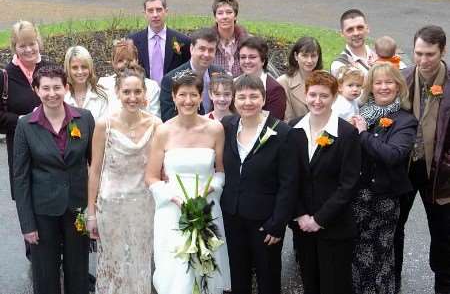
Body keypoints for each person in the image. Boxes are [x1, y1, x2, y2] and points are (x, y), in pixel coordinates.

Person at [146, 69, 231, 294]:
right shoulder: (163, 131)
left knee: (206, 270)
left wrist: (211, 188)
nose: (188, 100)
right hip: (173, 211)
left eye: (193, 94)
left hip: (207, 207)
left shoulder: (215, 129)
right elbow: (152, 176)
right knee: (176, 275)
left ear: (201, 96)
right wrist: (173, 198)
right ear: (173, 97)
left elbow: (220, 171)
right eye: (182, 95)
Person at [13, 65, 95, 294]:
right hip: (42, 212)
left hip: (77, 208)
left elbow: (95, 166)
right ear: (36, 90)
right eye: (46, 88)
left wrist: (93, 210)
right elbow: (20, 178)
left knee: (78, 271)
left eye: (57, 87)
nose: (52, 93)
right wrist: (27, 224)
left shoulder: (85, 119)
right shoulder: (25, 125)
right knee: (45, 274)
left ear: (66, 88)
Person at [86, 63, 161, 294]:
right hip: (111, 205)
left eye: (137, 91)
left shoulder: (156, 125)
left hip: (143, 205)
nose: (132, 97)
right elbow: (95, 170)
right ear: (117, 93)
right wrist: (91, 213)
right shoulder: (103, 125)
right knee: (113, 262)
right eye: (127, 92)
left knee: (140, 261)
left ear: (144, 94)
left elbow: (160, 170)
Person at [221, 74, 298, 294]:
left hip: (265, 220)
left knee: (268, 276)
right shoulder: (228, 125)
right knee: (238, 275)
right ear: (234, 100)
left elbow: (289, 183)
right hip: (233, 216)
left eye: (254, 96)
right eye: (242, 97)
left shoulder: (282, 132)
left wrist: (278, 223)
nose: (248, 102)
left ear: (263, 99)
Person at [289, 70, 361, 294]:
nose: (317, 101)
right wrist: (301, 215)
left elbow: (349, 184)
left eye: (324, 96)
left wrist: (319, 219)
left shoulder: (347, 134)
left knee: (335, 285)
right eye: (313, 95)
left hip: (334, 225)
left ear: (334, 97)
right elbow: (289, 178)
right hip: (302, 225)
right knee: (310, 283)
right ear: (305, 94)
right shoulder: (293, 129)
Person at [352, 63, 417, 294]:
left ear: (399, 86)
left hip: (383, 201)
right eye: (377, 82)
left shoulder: (405, 120)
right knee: (355, 255)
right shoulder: (358, 114)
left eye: (389, 82)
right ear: (369, 87)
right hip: (356, 198)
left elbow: (393, 155)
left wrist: (361, 135)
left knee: (378, 259)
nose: (383, 87)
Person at [395, 25, 450, 294]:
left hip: (441, 172)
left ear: (443, 51)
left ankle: (444, 285)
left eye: (430, 54)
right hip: (404, 169)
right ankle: (391, 280)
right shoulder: (401, 79)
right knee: (394, 227)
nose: (423, 60)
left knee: (443, 235)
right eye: (418, 53)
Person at [0, 21, 49, 201]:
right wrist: (22, 119)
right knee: (27, 200)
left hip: (51, 145)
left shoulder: (49, 68)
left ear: (38, 43)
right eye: (22, 45)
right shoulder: (5, 75)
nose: (28, 49)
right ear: (14, 47)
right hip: (21, 148)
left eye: (32, 43)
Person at [159, 28, 225, 121]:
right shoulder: (171, 79)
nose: (206, 54)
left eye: (211, 50)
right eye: (202, 49)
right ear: (191, 49)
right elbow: (168, 117)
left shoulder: (220, 73)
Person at [129, 0, 191, 84]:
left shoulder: (182, 41)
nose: (155, 15)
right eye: (150, 10)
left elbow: (187, 72)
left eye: (159, 10)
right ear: (144, 13)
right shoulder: (133, 42)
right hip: (142, 94)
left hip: (172, 95)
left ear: (166, 11)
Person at [98, 38, 161, 117]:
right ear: (113, 63)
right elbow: (100, 117)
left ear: (137, 60)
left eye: (130, 60)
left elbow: (155, 119)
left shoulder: (151, 86)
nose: (125, 64)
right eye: (120, 60)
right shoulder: (103, 84)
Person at [239, 36, 286, 120]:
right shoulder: (234, 83)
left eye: (252, 57)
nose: (247, 61)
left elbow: (273, 126)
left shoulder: (274, 90)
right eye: (243, 57)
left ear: (263, 60)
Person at [277, 36, 323, 121]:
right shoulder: (283, 82)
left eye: (313, 56)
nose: (309, 60)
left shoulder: (326, 79)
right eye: (305, 56)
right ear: (296, 56)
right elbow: (287, 120)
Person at [63, 46, 108, 120]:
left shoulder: (101, 96)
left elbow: (105, 127)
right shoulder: (62, 97)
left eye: (84, 67)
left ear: (90, 68)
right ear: (68, 69)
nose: (80, 72)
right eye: (75, 67)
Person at [330, 9, 376, 77]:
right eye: (350, 30)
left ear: (367, 28)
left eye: (360, 27)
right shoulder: (339, 65)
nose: (356, 33)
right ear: (342, 33)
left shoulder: (380, 55)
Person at [211, 0, 248, 77]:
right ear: (215, 18)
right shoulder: (208, 42)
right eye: (220, 13)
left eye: (229, 12)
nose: (225, 17)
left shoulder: (247, 41)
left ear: (235, 16)